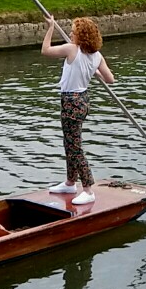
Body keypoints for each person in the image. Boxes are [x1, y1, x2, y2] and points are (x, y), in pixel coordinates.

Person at [42, 17, 116, 206]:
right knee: (69, 143)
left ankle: (88, 189)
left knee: (75, 147)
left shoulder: (71, 48)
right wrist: (95, 71)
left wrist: (50, 27)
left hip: (71, 101)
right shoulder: (97, 56)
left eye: (74, 31)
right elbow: (110, 79)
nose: (71, 33)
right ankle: (70, 182)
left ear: (81, 35)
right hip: (81, 100)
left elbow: (46, 50)